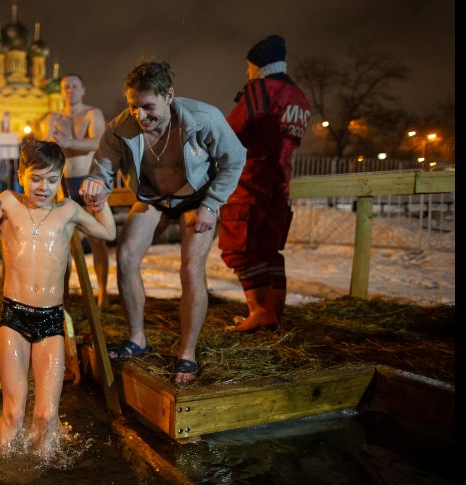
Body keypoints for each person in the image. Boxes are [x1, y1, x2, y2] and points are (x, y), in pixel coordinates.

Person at [81, 60, 246, 383]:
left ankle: (187, 352)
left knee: (189, 267)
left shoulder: (203, 119)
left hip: (196, 199)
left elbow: (235, 158)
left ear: (169, 95)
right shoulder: (120, 128)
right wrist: (97, 186)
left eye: (148, 107)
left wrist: (212, 205)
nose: (140, 116)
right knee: (126, 257)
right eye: (133, 107)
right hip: (153, 198)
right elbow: (101, 168)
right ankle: (137, 338)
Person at [0, 140, 116, 454]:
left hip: (51, 319)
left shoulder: (68, 210)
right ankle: (6, 471)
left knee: (46, 414)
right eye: (36, 178)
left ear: (61, 178)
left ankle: (42, 469)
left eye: (52, 180)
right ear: (21, 173)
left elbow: (108, 233)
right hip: (14, 317)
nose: (43, 187)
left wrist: (100, 202)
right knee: (13, 411)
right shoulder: (9, 203)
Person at [219, 35, 312, 333]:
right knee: (270, 251)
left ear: (258, 65)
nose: (246, 73)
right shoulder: (300, 97)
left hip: (251, 178)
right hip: (282, 184)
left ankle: (259, 311)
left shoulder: (260, 90)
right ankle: (273, 315)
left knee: (240, 248)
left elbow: (232, 132)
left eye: (248, 67)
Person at [41, 73, 110, 307]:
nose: (70, 90)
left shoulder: (92, 114)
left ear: (83, 90)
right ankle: (65, 296)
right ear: (61, 92)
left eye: (74, 86)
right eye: (65, 87)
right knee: (64, 241)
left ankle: (102, 293)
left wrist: (70, 143)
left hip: (88, 180)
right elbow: (46, 149)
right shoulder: (53, 118)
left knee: (97, 239)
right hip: (64, 183)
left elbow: (99, 142)